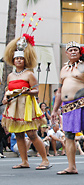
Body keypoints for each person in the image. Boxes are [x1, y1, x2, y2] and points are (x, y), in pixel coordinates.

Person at [51, 41, 84, 175]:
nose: (73, 52)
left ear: (79, 51)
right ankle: (71, 166)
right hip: (67, 107)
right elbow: (59, 91)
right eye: (71, 50)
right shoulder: (63, 69)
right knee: (69, 136)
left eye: (76, 49)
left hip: (83, 105)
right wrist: (54, 110)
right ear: (66, 53)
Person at [1, 35, 51, 170]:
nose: (18, 60)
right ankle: (24, 161)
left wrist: (27, 91)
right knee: (18, 134)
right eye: (16, 58)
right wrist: (5, 99)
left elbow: (36, 91)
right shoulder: (11, 76)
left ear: (25, 60)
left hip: (26, 106)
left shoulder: (29, 74)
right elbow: (8, 90)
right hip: (13, 107)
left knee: (32, 134)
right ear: (13, 60)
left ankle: (45, 160)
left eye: (21, 59)